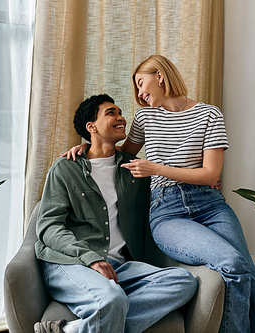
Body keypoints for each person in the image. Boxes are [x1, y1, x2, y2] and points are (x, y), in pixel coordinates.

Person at [65, 55, 255, 333]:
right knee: (233, 263)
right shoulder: (145, 117)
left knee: (250, 277)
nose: (140, 94)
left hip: (210, 205)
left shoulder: (209, 114)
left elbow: (210, 174)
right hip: (167, 212)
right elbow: (120, 155)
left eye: (142, 83)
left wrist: (155, 167)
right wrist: (84, 148)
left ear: (161, 76)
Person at [35, 93, 198, 333]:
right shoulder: (66, 167)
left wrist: (203, 183)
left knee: (184, 282)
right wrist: (91, 258)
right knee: (112, 300)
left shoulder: (136, 170)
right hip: (71, 263)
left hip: (120, 267)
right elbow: (48, 228)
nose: (121, 117)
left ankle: (72, 330)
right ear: (92, 127)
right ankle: (106, 311)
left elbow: (169, 186)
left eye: (120, 112)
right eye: (111, 113)